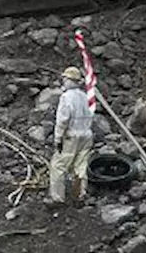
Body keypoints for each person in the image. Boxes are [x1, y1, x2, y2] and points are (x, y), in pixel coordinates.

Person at [48, 66, 94, 205]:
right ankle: (80, 194)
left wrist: (58, 138)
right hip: (86, 135)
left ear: (70, 80)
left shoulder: (66, 97)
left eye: (65, 78)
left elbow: (62, 120)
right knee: (80, 165)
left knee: (58, 166)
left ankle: (57, 197)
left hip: (71, 136)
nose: (63, 81)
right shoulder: (85, 96)